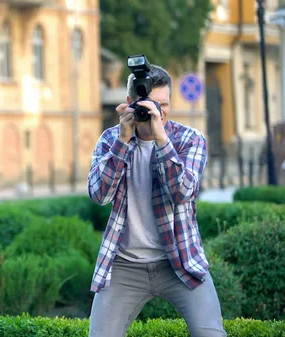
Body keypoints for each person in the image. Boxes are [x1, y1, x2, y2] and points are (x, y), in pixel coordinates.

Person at [86, 65, 226, 337]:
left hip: (179, 259)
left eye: (163, 105)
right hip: (124, 265)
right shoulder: (111, 139)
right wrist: (123, 141)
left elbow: (183, 193)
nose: (157, 113)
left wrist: (162, 139)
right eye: (150, 105)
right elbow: (99, 195)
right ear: (129, 104)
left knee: (211, 334)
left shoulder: (189, 139)